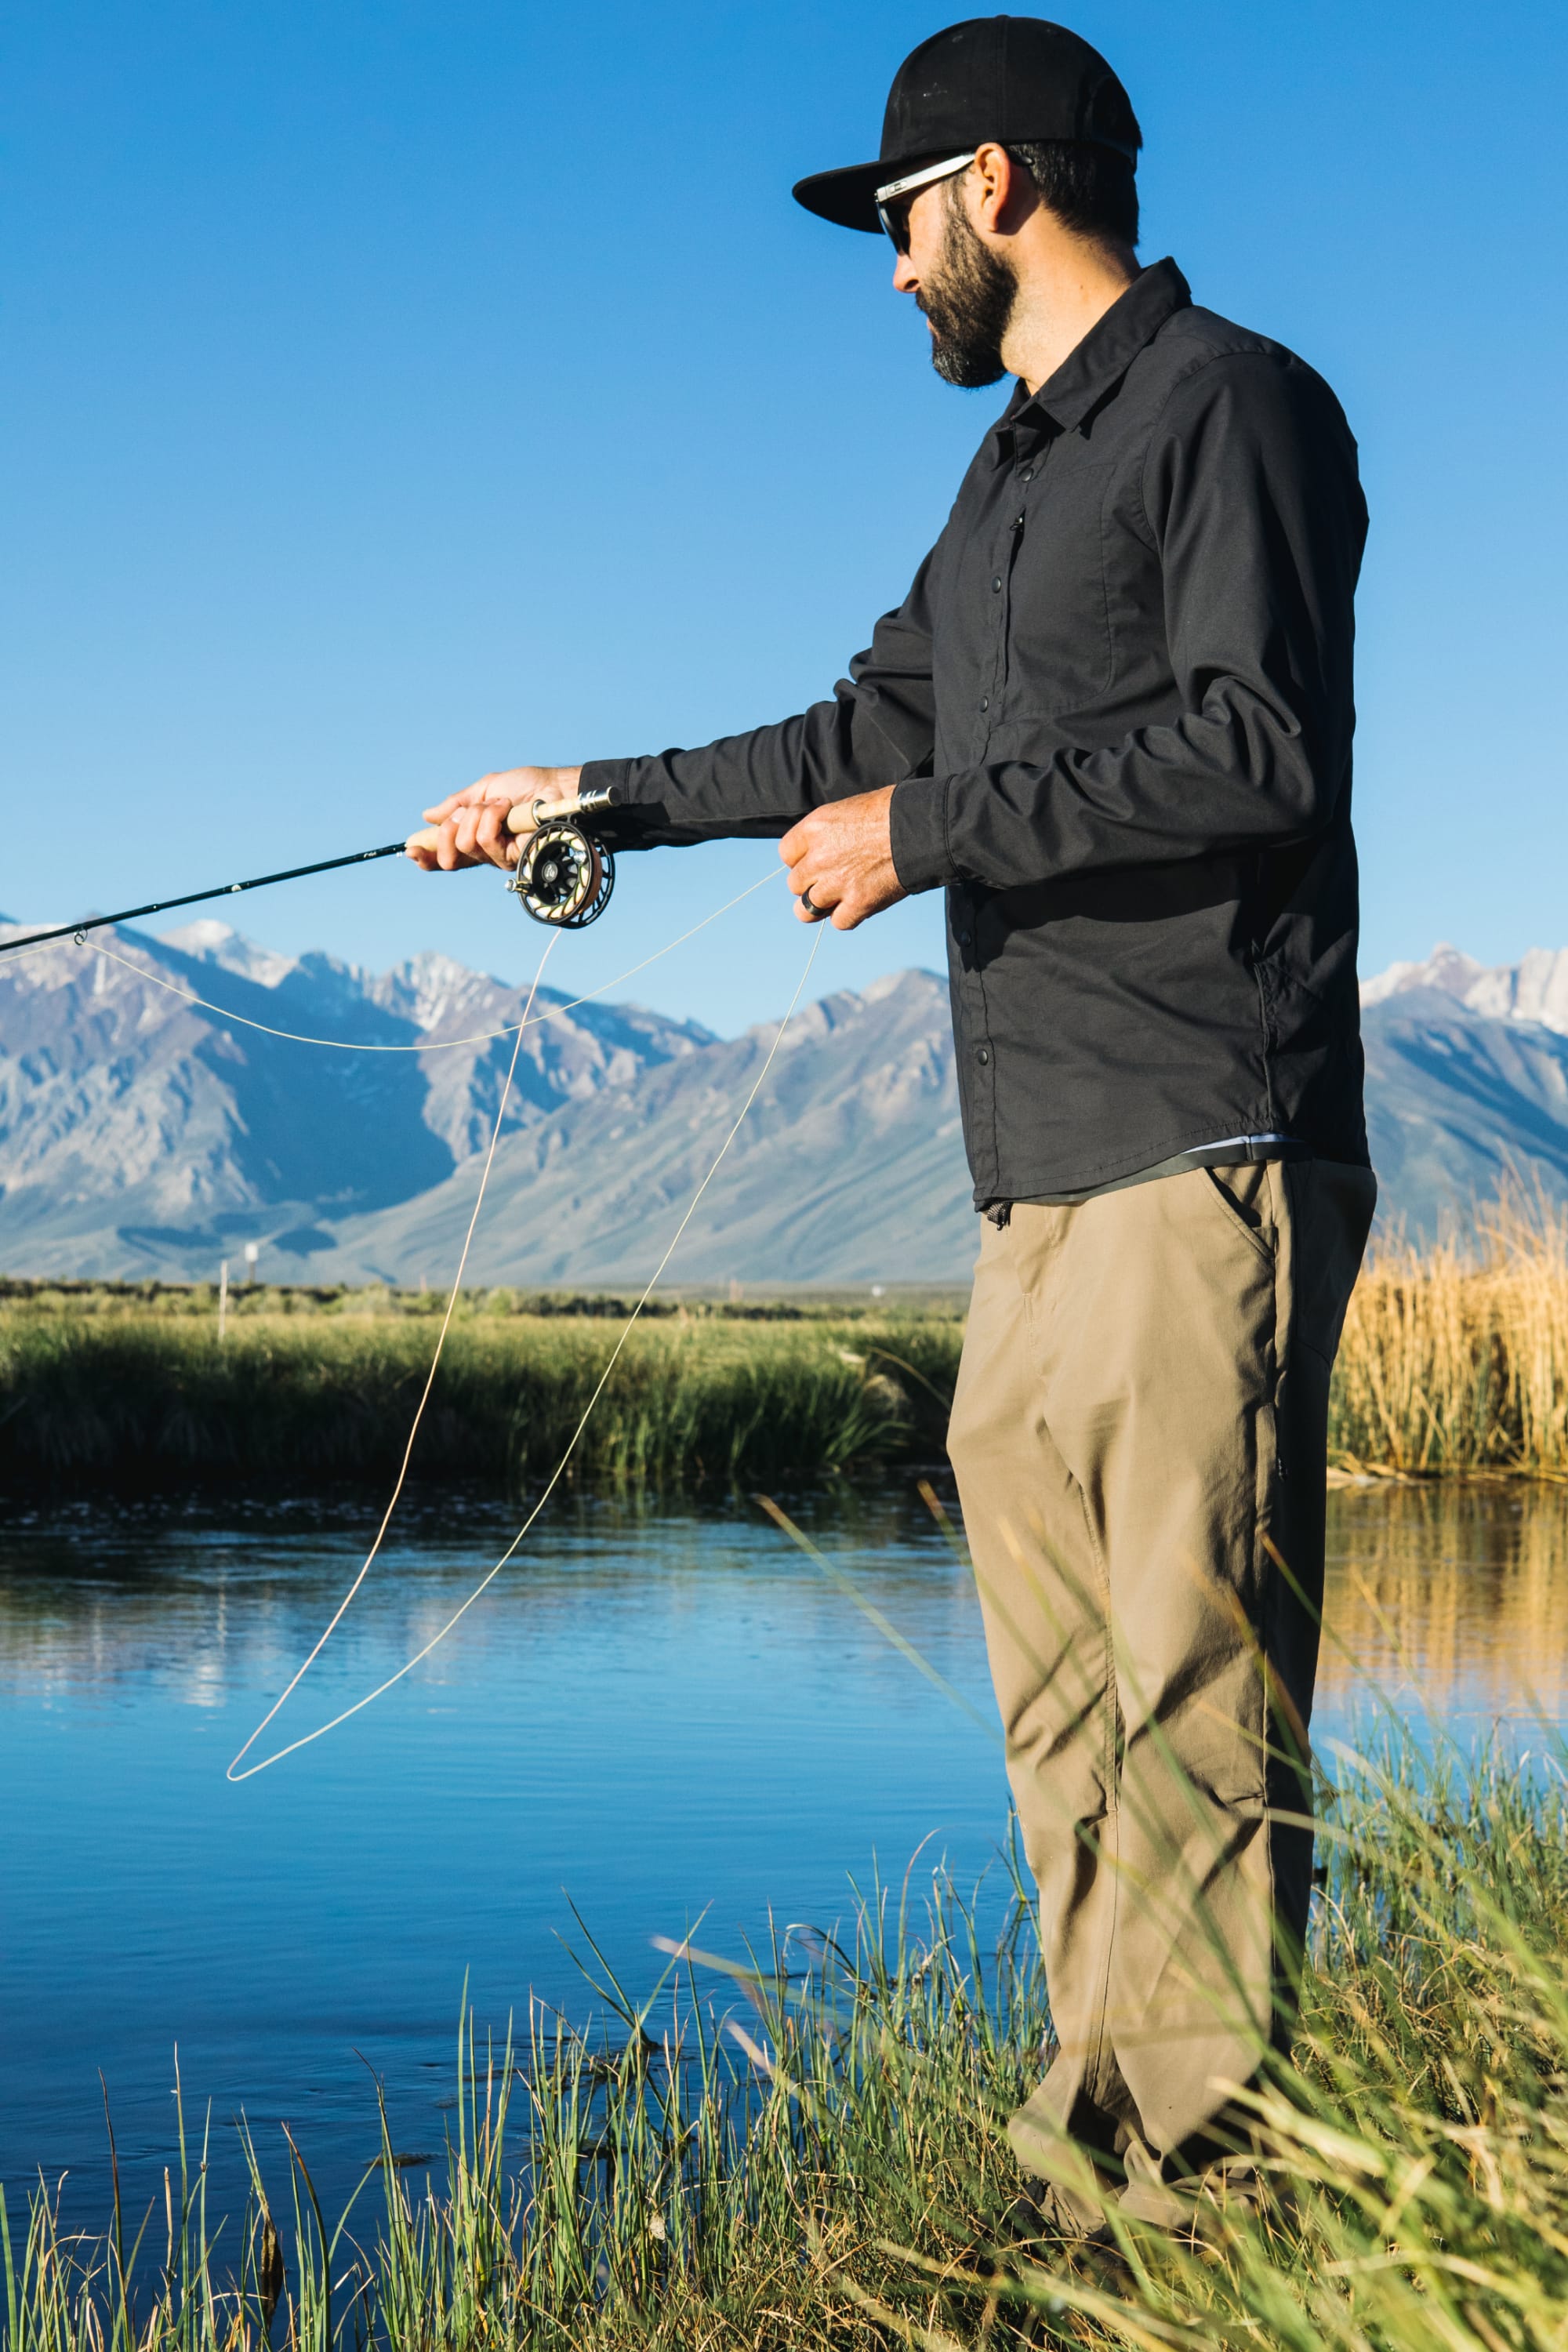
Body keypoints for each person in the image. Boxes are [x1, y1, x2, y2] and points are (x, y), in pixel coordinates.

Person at [411, 16, 1377, 2239]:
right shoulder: (1012, 475)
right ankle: (1096, 2171)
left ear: (1000, 188)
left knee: (1197, 1698)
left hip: (1200, 1142)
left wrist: (926, 830)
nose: (886, 266)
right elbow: (863, 722)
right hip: (1032, 1180)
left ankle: (1208, 2215)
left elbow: (1259, 748)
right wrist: (594, 802)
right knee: (1067, 1720)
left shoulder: (1238, 409)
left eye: (896, 217)